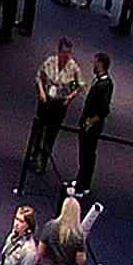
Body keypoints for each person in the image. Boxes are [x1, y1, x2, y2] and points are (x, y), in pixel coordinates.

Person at [22, 36, 84, 191]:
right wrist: (41, 92)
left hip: (59, 104)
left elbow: (81, 85)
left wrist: (70, 97)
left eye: (68, 53)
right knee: (38, 129)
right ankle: (33, 155)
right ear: (59, 51)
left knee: (51, 133)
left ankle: (43, 161)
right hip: (46, 101)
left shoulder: (74, 68)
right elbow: (39, 77)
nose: (66, 56)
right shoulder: (50, 62)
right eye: (64, 52)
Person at [75, 48, 116, 193]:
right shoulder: (99, 81)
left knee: (87, 155)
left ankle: (82, 186)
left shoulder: (105, 85)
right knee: (84, 155)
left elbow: (104, 110)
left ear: (100, 64)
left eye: (95, 62)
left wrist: (90, 122)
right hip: (89, 124)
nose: (93, 65)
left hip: (92, 127)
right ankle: (81, 180)